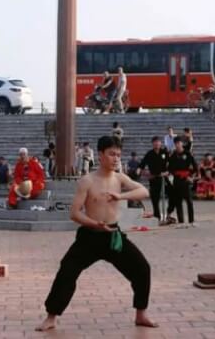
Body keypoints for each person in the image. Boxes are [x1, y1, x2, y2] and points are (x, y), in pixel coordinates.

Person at [36, 136, 157, 331]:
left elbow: (143, 191)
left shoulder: (120, 178)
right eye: (111, 154)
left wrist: (121, 195)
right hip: (90, 237)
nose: (116, 158)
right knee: (67, 271)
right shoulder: (87, 181)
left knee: (142, 269)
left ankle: (141, 314)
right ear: (100, 155)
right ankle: (51, 316)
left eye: (118, 154)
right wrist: (95, 224)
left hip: (113, 236)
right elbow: (74, 213)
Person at [138, 137, 169, 221]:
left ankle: (169, 213)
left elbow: (171, 163)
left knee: (173, 195)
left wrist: (167, 172)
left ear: (160, 143)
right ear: (152, 144)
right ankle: (157, 216)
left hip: (165, 178)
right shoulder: (149, 154)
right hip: (154, 178)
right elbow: (142, 165)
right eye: (155, 142)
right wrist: (144, 173)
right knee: (155, 198)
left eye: (158, 142)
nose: (157, 144)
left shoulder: (165, 152)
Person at [167, 140, 198, 226]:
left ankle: (192, 221)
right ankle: (181, 222)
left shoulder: (188, 154)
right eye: (176, 143)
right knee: (178, 202)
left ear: (181, 144)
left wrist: (191, 177)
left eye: (179, 143)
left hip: (186, 179)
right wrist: (171, 176)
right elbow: (170, 168)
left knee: (189, 201)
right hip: (177, 180)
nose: (178, 145)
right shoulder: (173, 155)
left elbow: (195, 167)